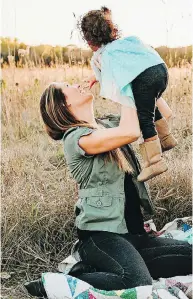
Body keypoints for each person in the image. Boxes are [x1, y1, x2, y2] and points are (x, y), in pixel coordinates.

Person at [25, 82, 191, 296]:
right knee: (136, 282)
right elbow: (130, 132)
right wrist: (126, 84)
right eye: (68, 86)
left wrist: (147, 82)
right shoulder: (76, 138)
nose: (78, 84)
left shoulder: (108, 125)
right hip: (102, 236)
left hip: (135, 235)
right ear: (63, 104)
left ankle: (113, 268)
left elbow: (164, 116)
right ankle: (61, 282)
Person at [78, 6, 178, 182]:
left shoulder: (103, 55)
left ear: (89, 40)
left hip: (145, 79)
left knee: (144, 116)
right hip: (161, 71)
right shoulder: (124, 43)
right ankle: (166, 138)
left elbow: (111, 77)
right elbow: (130, 62)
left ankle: (155, 161)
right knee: (149, 106)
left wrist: (100, 79)